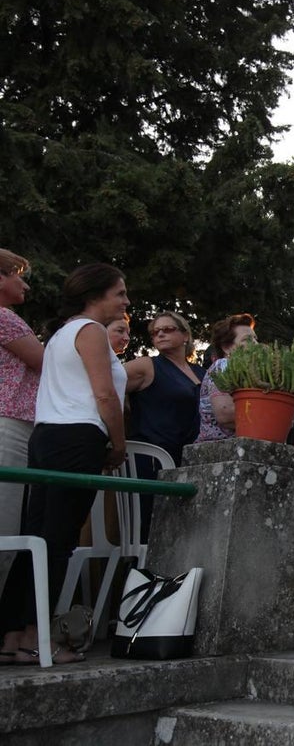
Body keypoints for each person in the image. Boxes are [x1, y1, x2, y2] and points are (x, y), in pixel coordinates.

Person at [0, 263, 130, 664]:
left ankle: (14, 637)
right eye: (119, 293)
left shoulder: (60, 335)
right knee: (57, 541)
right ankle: (41, 637)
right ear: (95, 296)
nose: (126, 301)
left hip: (47, 435)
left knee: (35, 537)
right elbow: (105, 395)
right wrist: (119, 443)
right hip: (77, 436)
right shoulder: (89, 331)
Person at [123, 311, 205, 540]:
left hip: (189, 459)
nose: (159, 334)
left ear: (185, 335)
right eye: (154, 332)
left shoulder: (202, 373)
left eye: (167, 329)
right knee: (150, 526)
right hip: (152, 457)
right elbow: (105, 384)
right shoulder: (147, 366)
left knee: (183, 528)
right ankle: (140, 574)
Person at [0, 249, 42, 594]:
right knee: (4, 531)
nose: (24, 283)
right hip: (8, 425)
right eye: (17, 274)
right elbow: (46, 363)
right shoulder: (5, 317)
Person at [195, 313, 256, 443]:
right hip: (220, 448)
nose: (255, 344)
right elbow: (225, 414)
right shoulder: (223, 366)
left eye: (256, 339)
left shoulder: (252, 374)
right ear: (227, 347)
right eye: (247, 339)